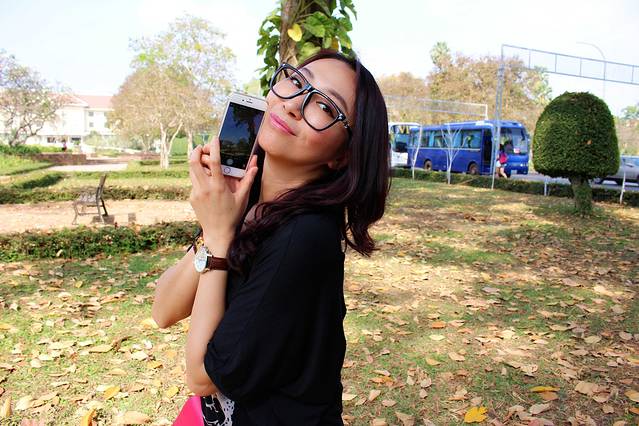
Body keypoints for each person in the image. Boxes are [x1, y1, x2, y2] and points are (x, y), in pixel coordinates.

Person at [151, 49, 390, 425]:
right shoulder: (247, 202)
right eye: (296, 81)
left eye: (325, 106)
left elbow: (201, 377)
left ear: (343, 155)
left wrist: (218, 237)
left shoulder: (304, 238)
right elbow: (163, 310)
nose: (294, 104)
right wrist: (216, 227)